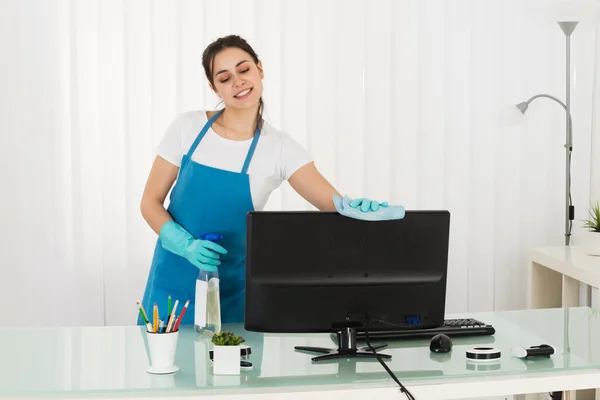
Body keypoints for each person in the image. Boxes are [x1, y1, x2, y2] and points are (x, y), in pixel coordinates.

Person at [138, 34, 387, 326]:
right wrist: (185, 246)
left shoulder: (279, 147)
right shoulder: (187, 128)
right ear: (214, 87)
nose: (238, 82)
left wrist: (354, 207)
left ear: (259, 69)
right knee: (168, 368)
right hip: (172, 283)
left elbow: (331, 202)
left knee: (232, 369)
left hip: (233, 291)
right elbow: (149, 202)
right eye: (225, 77)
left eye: (244, 70)